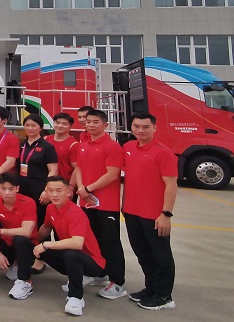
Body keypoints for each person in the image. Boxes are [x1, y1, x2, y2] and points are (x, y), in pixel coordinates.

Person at [123, 113, 178, 310]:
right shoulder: (128, 147)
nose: (140, 130)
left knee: (160, 255)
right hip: (131, 211)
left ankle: (164, 296)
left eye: (146, 127)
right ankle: (151, 288)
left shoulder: (164, 153)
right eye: (136, 126)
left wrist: (166, 214)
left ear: (154, 128)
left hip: (154, 215)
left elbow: (171, 185)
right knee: (142, 253)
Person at [33, 176, 107, 317]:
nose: (54, 194)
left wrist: (46, 244)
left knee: (71, 253)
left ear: (68, 193)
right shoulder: (51, 208)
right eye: (50, 191)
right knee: (36, 248)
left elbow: (77, 243)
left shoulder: (76, 213)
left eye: (59, 190)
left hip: (93, 263)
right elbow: (46, 228)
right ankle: (23, 281)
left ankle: (76, 298)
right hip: (70, 258)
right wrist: (32, 243)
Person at [74, 109, 126, 299]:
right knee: (91, 241)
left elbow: (112, 174)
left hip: (106, 204)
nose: (91, 125)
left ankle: (117, 282)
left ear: (105, 125)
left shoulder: (112, 147)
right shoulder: (83, 145)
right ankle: (98, 273)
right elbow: (78, 169)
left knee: (110, 243)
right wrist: (81, 189)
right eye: (88, 121)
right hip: (85, 202)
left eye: (95, 122)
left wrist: (88, 189)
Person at [0, 173, 38, 300]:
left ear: (17, 188)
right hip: (7, 243)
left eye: (11, 189)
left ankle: (25, 281)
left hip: (28, 246)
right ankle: (13, 264)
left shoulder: (28, 202)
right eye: (3, 188)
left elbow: (26, 232)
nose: (7, 192)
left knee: (20, 239)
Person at [18, 113, 59, 272]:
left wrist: (47, 191)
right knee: (25, 223)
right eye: (27, 125)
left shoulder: (47, 147)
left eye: (33, 125)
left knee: (40, 223)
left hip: (39, 191)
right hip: (23, 190)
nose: (30, 128)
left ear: (40, 128)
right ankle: (26, 254)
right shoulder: (22, 144)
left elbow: (53, 170)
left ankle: (40, 258)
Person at [45, 112, 79, 187]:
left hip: (63, 185)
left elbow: (77, 169)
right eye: (57, 123)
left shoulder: (74, 145)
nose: (60, 126)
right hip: (44, 183)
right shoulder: (45, 139)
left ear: (70, 126)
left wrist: (71, 186)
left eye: (64, 124)